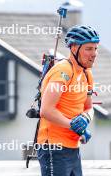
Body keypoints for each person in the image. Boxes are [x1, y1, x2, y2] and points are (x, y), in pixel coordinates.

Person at [37, 25, 100, 176]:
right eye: (89, 49)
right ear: (74, 48)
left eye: (96, 48)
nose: (94, 54)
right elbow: (46, 110)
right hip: (54, 146)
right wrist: (73, 126)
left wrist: (86, 118)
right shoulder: (63, 71)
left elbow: (89, 107)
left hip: (73, 146)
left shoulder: (86, 74)